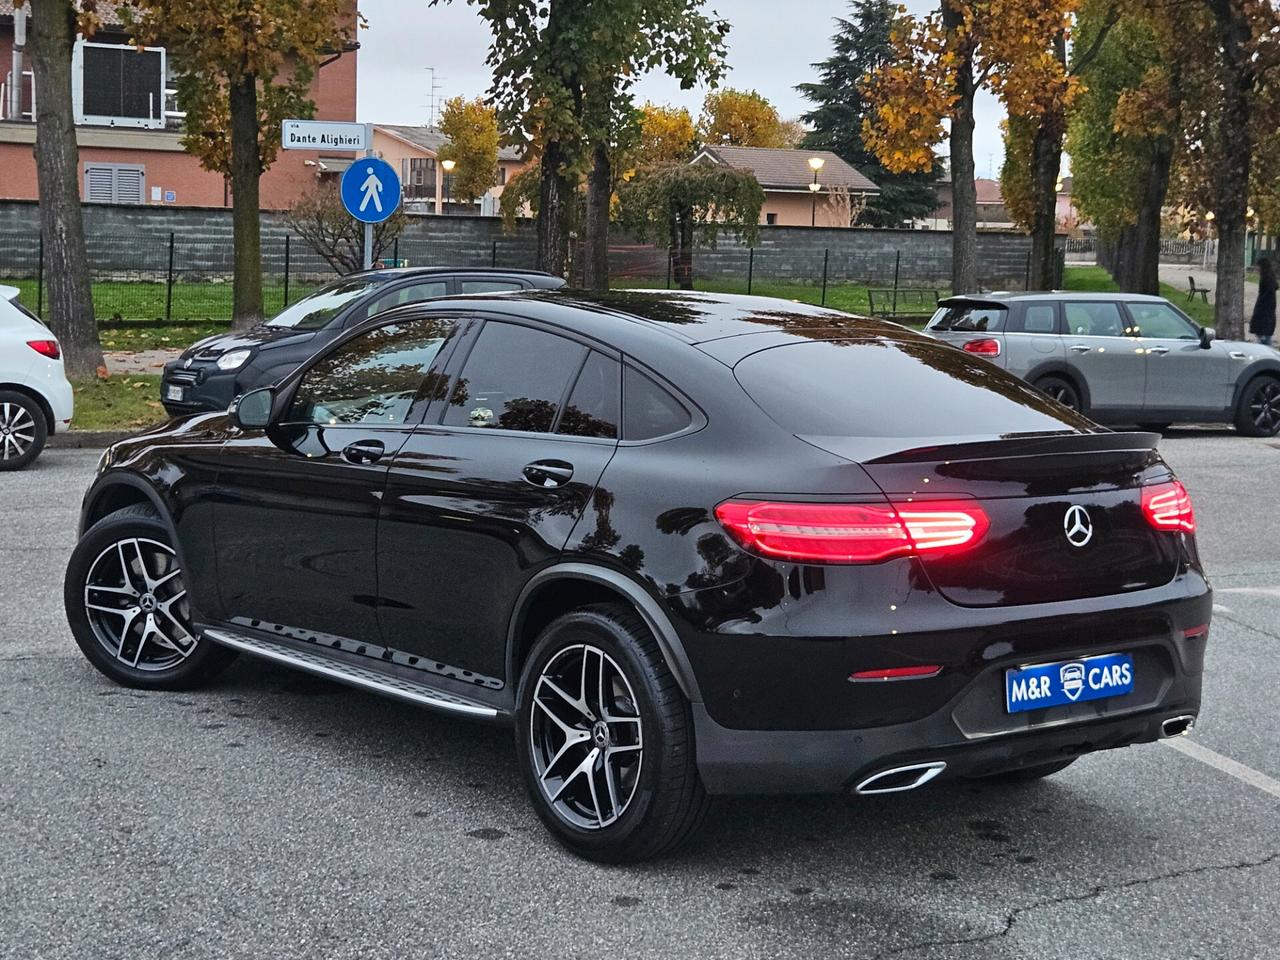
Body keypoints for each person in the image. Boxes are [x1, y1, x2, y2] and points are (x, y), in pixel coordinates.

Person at [1250, 257, 1276, 347]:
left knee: (1263, 338)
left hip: (1264, 312)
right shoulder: (1270, 278)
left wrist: (1259, 306)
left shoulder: (1267, 279)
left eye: (1258, 266)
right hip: (1268, 312)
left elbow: (1265, 296)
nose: (1256, 269)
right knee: (1265, 337)